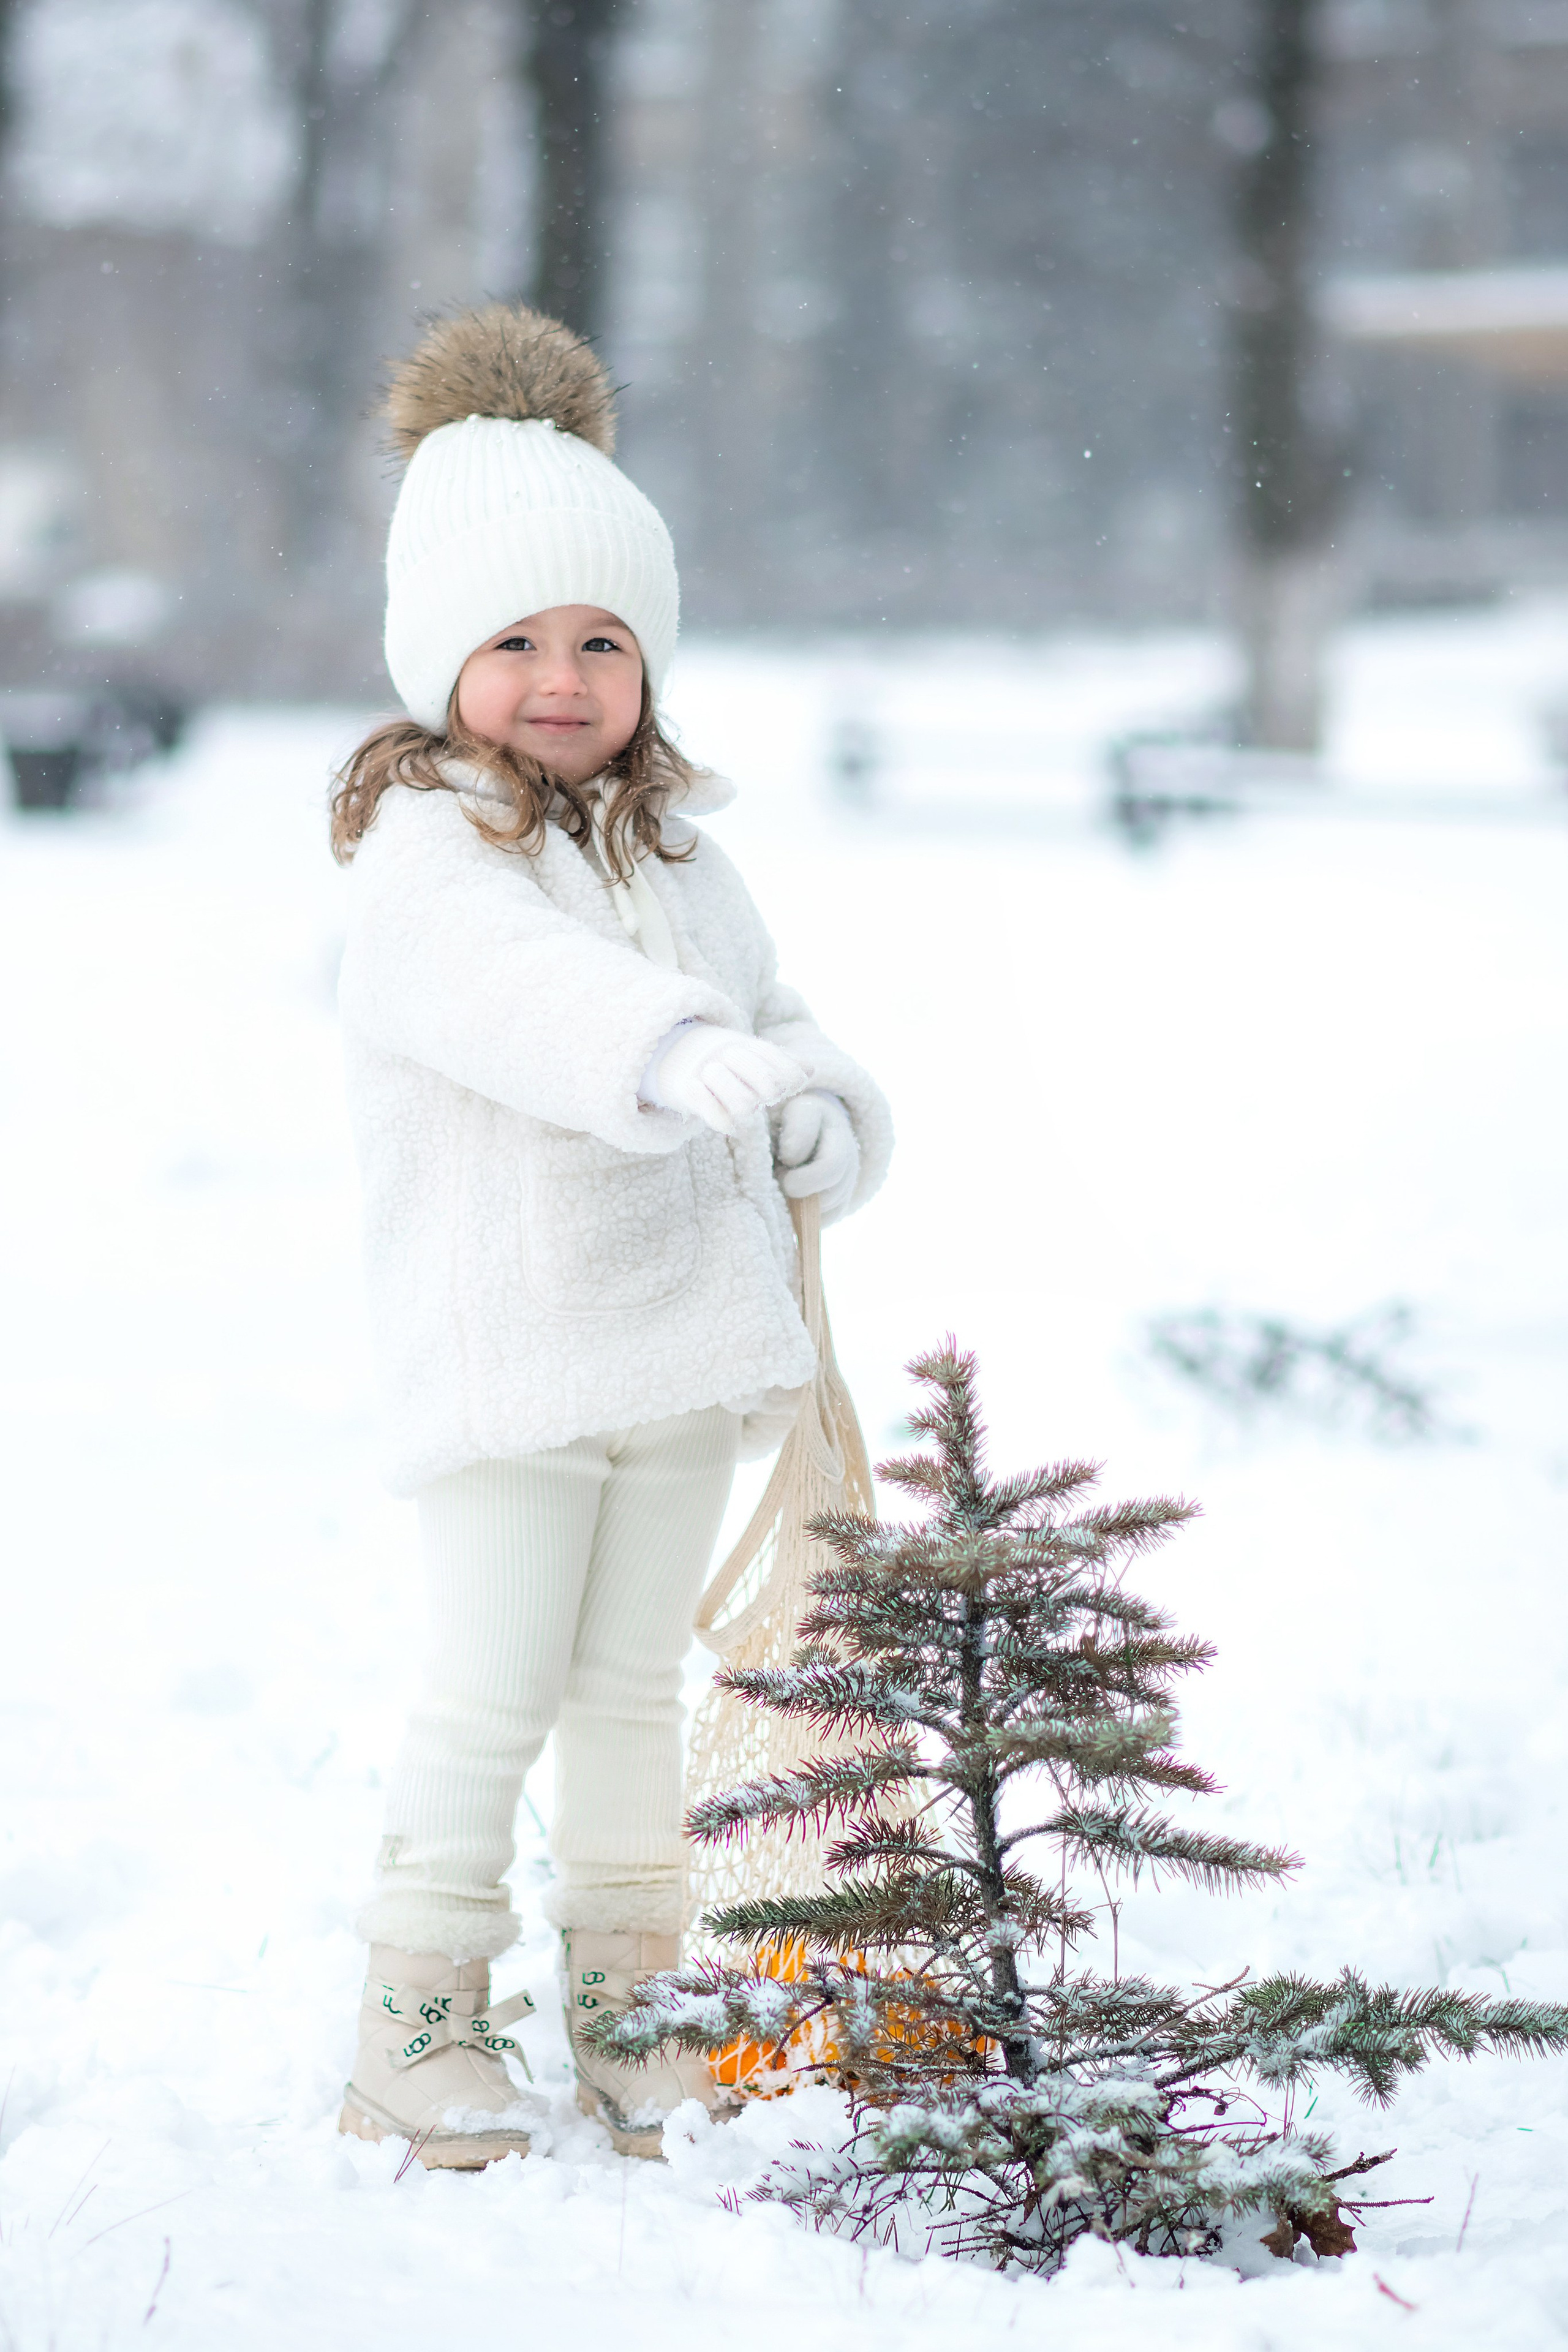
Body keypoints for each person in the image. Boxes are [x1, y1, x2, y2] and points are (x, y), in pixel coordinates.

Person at [327, 303, 892, 2166]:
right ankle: (415, 2024)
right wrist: (669, 1052)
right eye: (516, 643)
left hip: (671, 1344)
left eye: (603, 642)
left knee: (632, 1689)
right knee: (494, 1690)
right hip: (510, 1363)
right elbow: (511, 999)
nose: (561, 679)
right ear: (441, 661)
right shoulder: (431, 859)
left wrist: (810, 1093)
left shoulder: (678, 854)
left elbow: (772, 1007)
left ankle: (634, 2012)